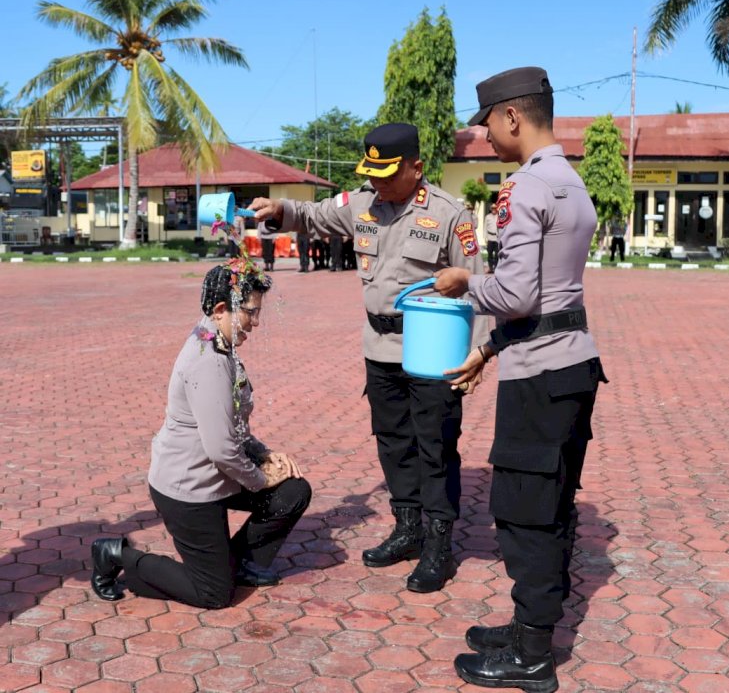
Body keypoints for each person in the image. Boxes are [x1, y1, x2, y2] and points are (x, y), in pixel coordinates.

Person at [250, 123, 485, 593]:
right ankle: (408, 528)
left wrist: (477, 353)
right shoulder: (362, 204)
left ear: (416, 168)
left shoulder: (448, 214)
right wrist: (279, 209)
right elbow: (312, 215)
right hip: (378, 347)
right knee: (394, 442)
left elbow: (477, 285)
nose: (378, 183)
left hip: (432, 345)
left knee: (435, 446)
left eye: (388, 173)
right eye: (372, 173)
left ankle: (439, 543)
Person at [434, 67, 607, 692]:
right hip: (573, 364)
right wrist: (489, 352)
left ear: (512, 116)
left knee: (524, 511)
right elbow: (552, 300)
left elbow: (516, 291)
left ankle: (533, 656)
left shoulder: (524, 187)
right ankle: (531, 626)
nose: (483, 136)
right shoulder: (572, 180)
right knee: (552, 500)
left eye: (485, 124)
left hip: (541, 376)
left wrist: (462, 284)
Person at [90, 255, 311, 609]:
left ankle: (239, 565)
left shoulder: (217, 341)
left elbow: (232, 427)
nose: (255, 323)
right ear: (221, 309)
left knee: (293, 491)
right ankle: (117, 555)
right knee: (213, 594)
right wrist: (260, 478)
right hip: (189, 489)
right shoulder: (208, 361)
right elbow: (223, 449)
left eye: (257, 312)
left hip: (218, 476)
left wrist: (265, 455)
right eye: (250, 312)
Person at [484, 202, 499, 273]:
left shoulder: (499, 217)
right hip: (489, 237)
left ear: (497, 209)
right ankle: (490, 268)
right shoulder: (487, 217)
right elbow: (485, 228)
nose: (494, 209)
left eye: (495, 208)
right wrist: (485, 238)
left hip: (497, 238)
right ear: (491, 209)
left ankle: (496, 267)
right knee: (489, 254)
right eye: (492, 208)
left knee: (497, 254)